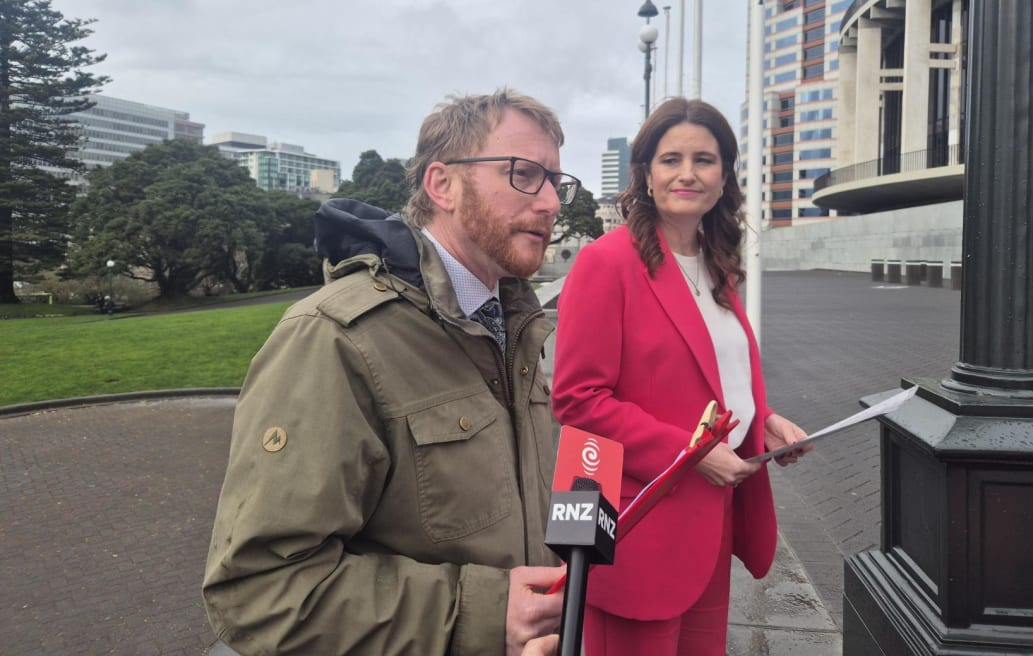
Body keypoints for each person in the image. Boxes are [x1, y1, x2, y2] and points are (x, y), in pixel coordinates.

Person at [202, 89, 582, 656]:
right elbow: (261, 590)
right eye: (525, 174)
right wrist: (481, 615)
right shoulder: (335, 336)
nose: (552, 202)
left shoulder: (523, 326)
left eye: (557, 180)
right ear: (442, 184)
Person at [550, 97, 809, 656]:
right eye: (671, 159)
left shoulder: (719, 267)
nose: (687, 173)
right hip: (640, 529)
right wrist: (685, 453)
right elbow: (577, 399)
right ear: (645, 175)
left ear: (724, 178)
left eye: (704, 160)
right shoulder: (606, 263)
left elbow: (717, 377)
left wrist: (762, 422)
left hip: (710, 526)